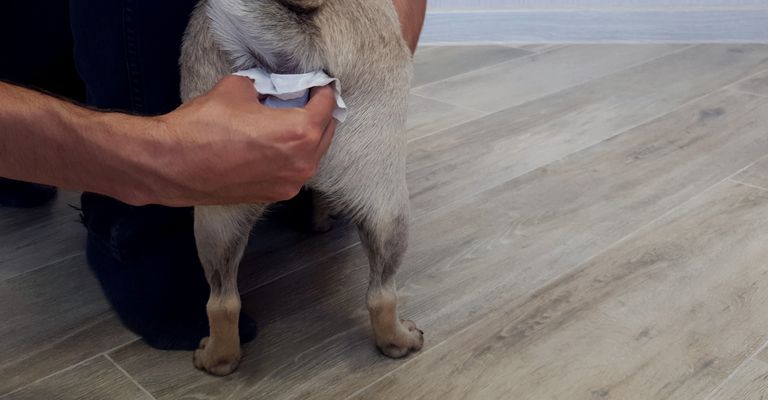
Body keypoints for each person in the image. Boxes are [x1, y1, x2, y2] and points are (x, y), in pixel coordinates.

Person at [0, 0, 426, 350]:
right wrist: (384, 64)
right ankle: (383, 306)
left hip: (228, 28)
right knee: (378, 204)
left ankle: (211, 307)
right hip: (353, 39)